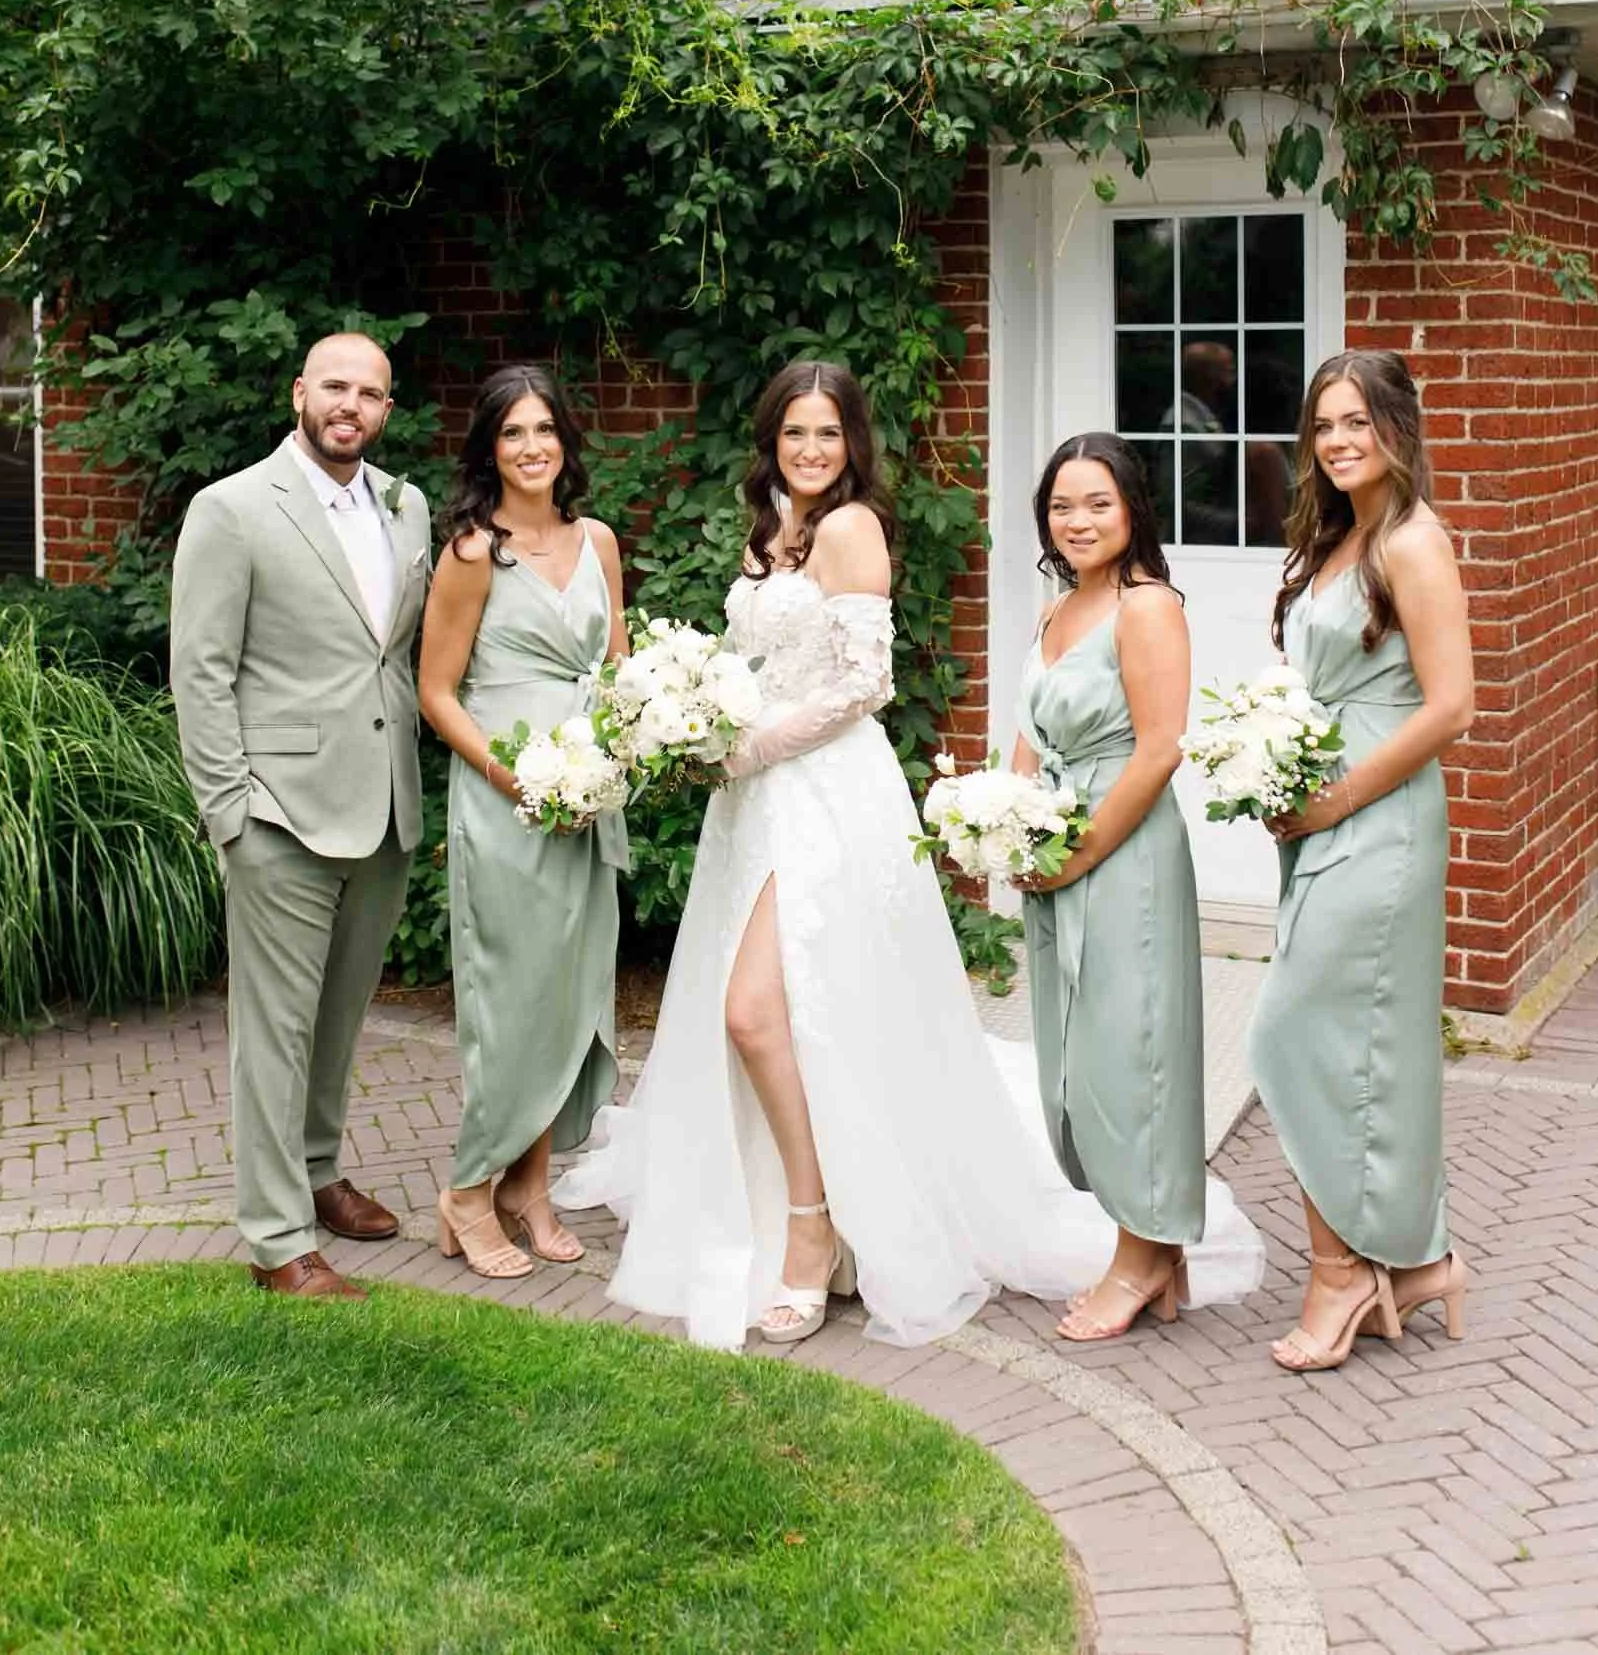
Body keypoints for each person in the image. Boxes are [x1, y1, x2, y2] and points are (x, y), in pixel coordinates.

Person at [555, 359, 1263, 1352]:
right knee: (795, 1016)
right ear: (771, 441)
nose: (810, 451)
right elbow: (754, 661)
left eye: (827, 435)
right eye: (794, 433)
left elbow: (864, 682)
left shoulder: (851, 528)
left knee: (754, 1011)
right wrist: (693, 712)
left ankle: (813, 1228)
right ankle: (805, 1206)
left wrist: (746, 741)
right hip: (750, 804)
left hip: (824, 796)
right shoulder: (769, 530)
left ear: (851, 447)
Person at [170, 332, 430, 1298]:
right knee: (273, 1030)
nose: (349, 405)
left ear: (386, 410)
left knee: (337, 1019)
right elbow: (200, 671)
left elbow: (391, 658)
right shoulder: (232, 509)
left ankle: (319, 1173)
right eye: (334, 386)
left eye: (369, 392)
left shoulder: (408, 509)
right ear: (299, 393)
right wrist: (228, 811)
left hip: (384, 804)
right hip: (276, 810)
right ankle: (278, 1238)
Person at [1249, 348, 1474, 1373]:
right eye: (1322, 425)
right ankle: (1415, 1259)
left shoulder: (1413, 543)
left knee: (1292, 1030)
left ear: (1395, 427)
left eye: (1355, 421)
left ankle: (1338, 1274)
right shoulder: (1336, 538)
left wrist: (1334, 794)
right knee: (1359, 1042)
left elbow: (1449, 708)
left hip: (1377, 821)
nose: (1337, 441)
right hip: (1320, 817)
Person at [418, 367, 628, 1278]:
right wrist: (510, 777)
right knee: (511, 1002)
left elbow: (617, 672)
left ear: (566, 442)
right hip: (506, 799)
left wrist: (625, 752)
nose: (532, 447)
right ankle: (468, 1192)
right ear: (488, 450)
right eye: (512, 433)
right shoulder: (473, 554)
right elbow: (435, 691)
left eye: (545, 430)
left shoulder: (599, 542)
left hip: (585, 800)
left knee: (571, 995)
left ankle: (529, 1190)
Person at [1012, 434, 1206, 1340]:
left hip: (1120, 854)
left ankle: (1140, 1257)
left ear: (1131, 508)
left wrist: (1078, 852)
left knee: (1132, 1054)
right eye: (1061, 505)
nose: (1077, 520)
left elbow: (1159, 747)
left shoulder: (1146, 606)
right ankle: (1153, 1253)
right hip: (1051, 853)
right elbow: (1026, 736)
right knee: (1074, 1056)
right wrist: (999, 825)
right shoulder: (1055, 612)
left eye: (1096, 502)